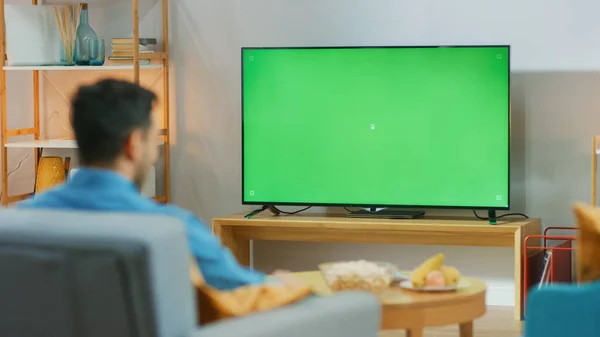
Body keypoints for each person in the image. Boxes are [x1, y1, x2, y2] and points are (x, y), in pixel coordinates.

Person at [18, 79, 271, 290]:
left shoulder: (19, 224)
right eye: (152, 139)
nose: (155, 152)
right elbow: (248, 292)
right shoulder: (173, 231)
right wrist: (287, 284)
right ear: (134, 143)